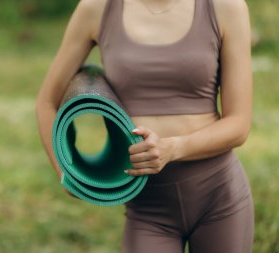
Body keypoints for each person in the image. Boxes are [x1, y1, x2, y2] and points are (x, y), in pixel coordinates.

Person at [35, 0, 254, 252]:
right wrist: (66, 173)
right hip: (148, 206)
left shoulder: (225, 7)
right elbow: (47, 102)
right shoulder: (96, 8)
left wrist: (173, 148)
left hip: (219, 197)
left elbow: (239, 124)